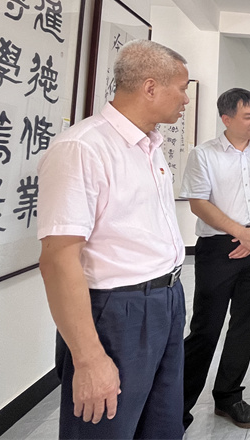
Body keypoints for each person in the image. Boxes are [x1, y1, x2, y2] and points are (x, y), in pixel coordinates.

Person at [37, 40, 189, 439]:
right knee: (107, 426)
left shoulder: (149, 147)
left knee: (161, 425)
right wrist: (88, 358)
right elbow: (58, 260)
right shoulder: (83, 148)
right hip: (117, 312)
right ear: (151, 87)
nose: (186, 99)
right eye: (181, 88)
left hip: (166, 299)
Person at [179, 88, 250, 430]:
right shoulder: (204, 154)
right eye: (248, 116)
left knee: (244, 324)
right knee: (206, 328)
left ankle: (228, 396)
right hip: (218, 247)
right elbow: (199, 203)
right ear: (226, 119)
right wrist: (241, 232)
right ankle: (177, 407)